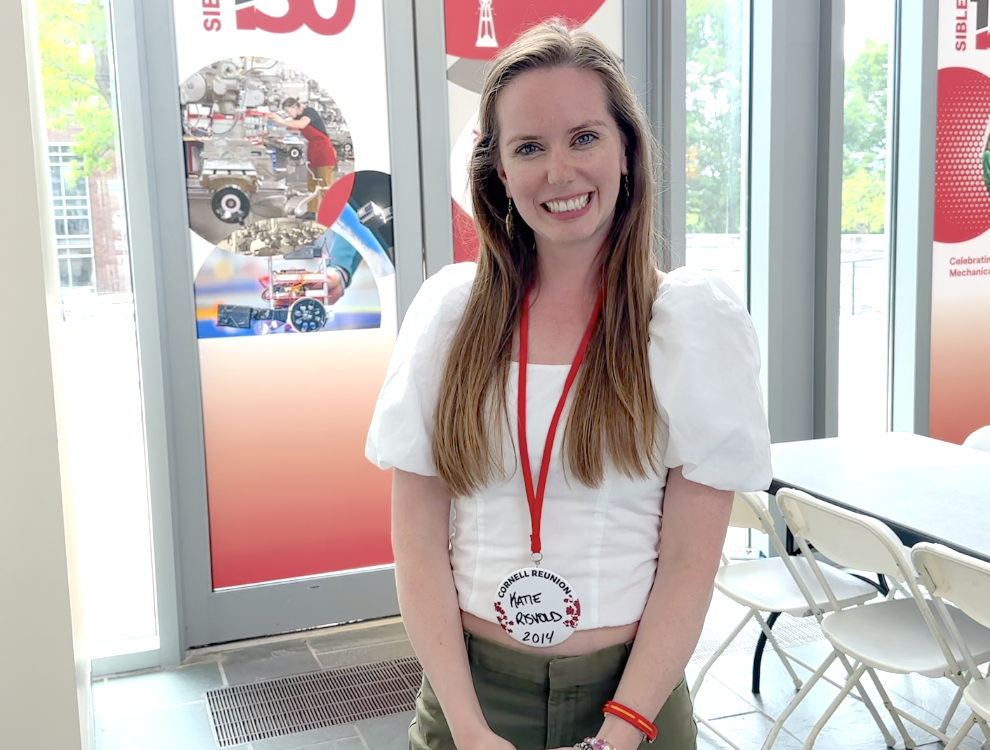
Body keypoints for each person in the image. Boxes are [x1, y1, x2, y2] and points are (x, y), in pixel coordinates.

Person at [366, 20, 772, 750]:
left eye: (584, 137)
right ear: (497, 170)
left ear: (627, 151)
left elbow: (689, 561)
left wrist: (619, 734)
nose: (559, 172)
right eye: (529, 147)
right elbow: (417, 541)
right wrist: (467, 727)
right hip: (471, 698)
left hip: (635, 701)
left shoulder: (687, 325)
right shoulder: (450, 317)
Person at [269, 98, 337, 217]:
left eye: (288, 111)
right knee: (312, 185)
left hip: (324, 152)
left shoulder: (309, 112)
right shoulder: (297, 117)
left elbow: (301, 124)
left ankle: (333, 214)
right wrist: (274, 119)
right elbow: (287, 122)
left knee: (325, 186)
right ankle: (311, 212)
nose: (289, 114)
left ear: (295, 106)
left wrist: (283, 121)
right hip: (313, 151)